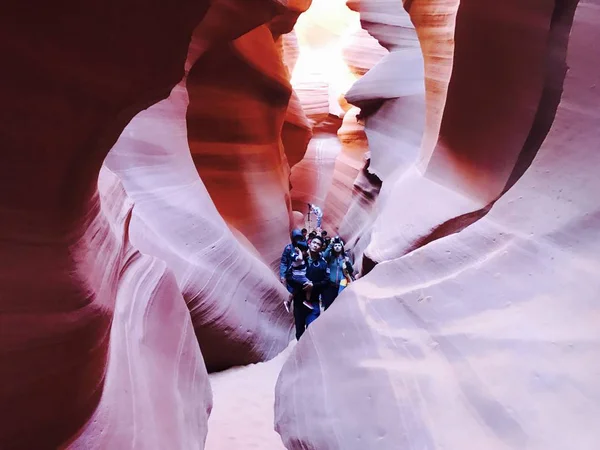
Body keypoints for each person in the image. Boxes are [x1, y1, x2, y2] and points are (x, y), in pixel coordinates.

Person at [288, 235, 329, 340]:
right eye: (314, 243)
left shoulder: (323, 263)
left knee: (313, 329)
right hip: (299, 301)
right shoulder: (299, 258)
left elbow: (326, 282)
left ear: (321, 247)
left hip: (314, 301)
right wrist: (301, 284)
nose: (315, 245)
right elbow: (289, 276)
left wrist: (313, 286)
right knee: (300, 332)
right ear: (310, 243)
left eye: (318, 244)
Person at [321, 236, 354, 310]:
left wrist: (347, 262)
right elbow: (324, 255)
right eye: (335, 245)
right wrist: (330, 245)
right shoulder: (330, 257)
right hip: (330, 286)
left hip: (341, 286)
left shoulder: (345, 258)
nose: (337, 247)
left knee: (339, 306)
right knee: (328, 306)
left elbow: (350, 271)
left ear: (342, 247)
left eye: (339, 245)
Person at [287, 241, 313, 309]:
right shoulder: (295, 256)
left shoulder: (303, 257)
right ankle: (307, 300)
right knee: (310, 285)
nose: (306, 252)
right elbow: (300, 258)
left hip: (300, 277)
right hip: (298, 277)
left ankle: (288, 302)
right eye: (304, 251)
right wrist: (299, 251)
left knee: (296, 290)